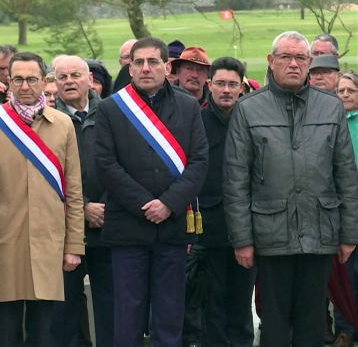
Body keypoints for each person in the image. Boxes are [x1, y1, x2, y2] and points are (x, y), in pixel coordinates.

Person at [223, 31, 358, 347]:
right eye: (286, 57)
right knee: (275, 324)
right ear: (272, 61)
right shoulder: (248, 109)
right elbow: (235, 180)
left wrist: (350, 234)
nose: (294, 64)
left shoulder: (331, 107)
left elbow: (346, 176)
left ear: (310, 63)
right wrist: (242, 239)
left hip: (320, 233)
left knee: (312, 323)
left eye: (301, 58)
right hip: (270, 235)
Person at [94, 37, 208, 346]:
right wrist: (147, 204)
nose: (146, 68)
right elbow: (106, 165)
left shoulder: (187, 106)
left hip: (172, 228)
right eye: (139, 62)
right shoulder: (111, 108)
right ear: (129, 68)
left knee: (170, 316)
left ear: (167, 66)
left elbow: (199, 161)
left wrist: (168, 204)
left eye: (153, 62)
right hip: (128, 227)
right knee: (127, 316)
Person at [0, 52, 85, 347]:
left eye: (32, 79)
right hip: (4, 243)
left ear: (45, 81)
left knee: (43, 333)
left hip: (49, 244)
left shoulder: (63, 124)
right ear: (7, 81)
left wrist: (73, 246)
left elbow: (73, 192)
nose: (24, 86)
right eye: (17, 79)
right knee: (7, 333)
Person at [52, 56, 113, 347]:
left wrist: (104, 206)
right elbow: (46, 175)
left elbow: (124, 163)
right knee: (65, 311)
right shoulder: (46, 120)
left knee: (111, 307)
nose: (69, 81)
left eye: (75, 75)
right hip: (64, 231)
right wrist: (84, 207)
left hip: (109, 225)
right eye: (61, 76)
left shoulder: (113, 113)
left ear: (90, 79)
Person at [198, 57, 256, 346]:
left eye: (233, 84)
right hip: (210, 228)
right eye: (220, 83)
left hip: (247, 228)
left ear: (243, 88)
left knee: (241, 302)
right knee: (213, 304)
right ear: (210, 85)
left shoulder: (253, 123)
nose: (226, 90)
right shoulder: (195, 123)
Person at [332, 70, 358, 347]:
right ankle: (345, 330)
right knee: (344, 272)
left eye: (351, 90)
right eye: (341, 91)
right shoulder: (332, 121)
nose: (346, 95)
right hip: (339, 203)